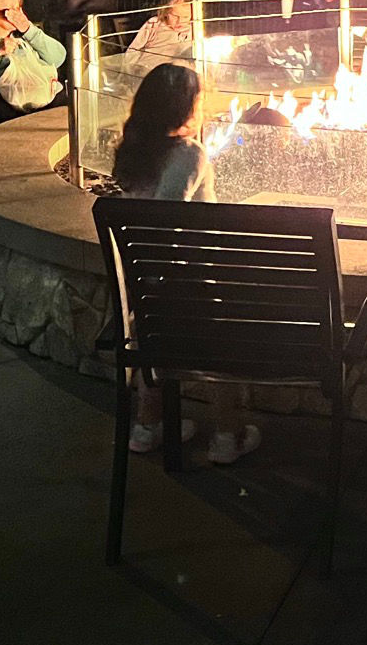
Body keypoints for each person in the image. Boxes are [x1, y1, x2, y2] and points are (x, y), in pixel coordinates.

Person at [110, 62, 260, 464]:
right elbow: (168, 215)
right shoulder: (188, 155)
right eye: (198, 100)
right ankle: (227, 434)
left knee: (152, 338)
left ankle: (147, 426)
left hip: (146, 286)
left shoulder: (133, 151)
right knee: (224, 340)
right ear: (183, 107)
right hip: (187, 281)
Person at [124, 0, 197, 79]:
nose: (180, 21)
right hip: (146, 74)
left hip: (175, 78)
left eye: (185, 17)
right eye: (175, 16)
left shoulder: (195, 30)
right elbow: (133, 51)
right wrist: (129, 74)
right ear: (166, 12)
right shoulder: (154, 24)